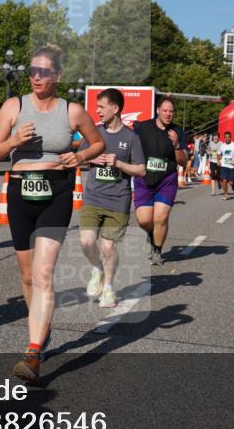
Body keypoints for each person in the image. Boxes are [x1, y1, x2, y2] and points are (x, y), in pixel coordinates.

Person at [0, 44, 103, 382]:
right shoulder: (14, 106)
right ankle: (41, 329)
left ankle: (33, 351)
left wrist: (79, 158)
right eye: (33, 71)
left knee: (43, 274)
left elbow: (97, 143)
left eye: (44, 72)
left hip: (57, 192)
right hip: (20, 191)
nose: (37, 77)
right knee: (27, 277)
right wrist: (13, 142)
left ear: (57, 76)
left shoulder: (72, 111)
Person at [78, 88, 146, 307]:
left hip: (118, 200)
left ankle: (108, 287)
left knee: (109, 247)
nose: (97, 111)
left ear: (115, 109)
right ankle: (96, 269)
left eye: (101, 107)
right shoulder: (94, 134)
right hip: (93, 197)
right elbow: (78, 159)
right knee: (86, 241)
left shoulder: (131, 137)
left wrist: (118, 164)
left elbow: (141, 170)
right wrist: (94, 160)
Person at [132, 97, 187, 266]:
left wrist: (177, 145)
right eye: (165, 111)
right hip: (144, 178)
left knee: (160, 218)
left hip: (166, 180)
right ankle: (151, 234)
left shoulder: (177, 130)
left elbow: (183, 162)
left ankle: (157, 250)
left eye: (171, 111)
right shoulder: (143, 128)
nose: (168, 114)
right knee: (143, 220)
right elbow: (132, 148)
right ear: (158, 111)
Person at [218, 130, 234, 200]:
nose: (227, 139)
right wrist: (218, 161)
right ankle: (226, 194)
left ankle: (233, 184)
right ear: (224, 138)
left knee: (230, 182)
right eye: (226, 137)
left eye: (228, 137)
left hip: (232, 166)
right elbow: (218, 154)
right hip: (224, 165)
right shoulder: (222, 146)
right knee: (224, 180)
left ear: (230, 137)